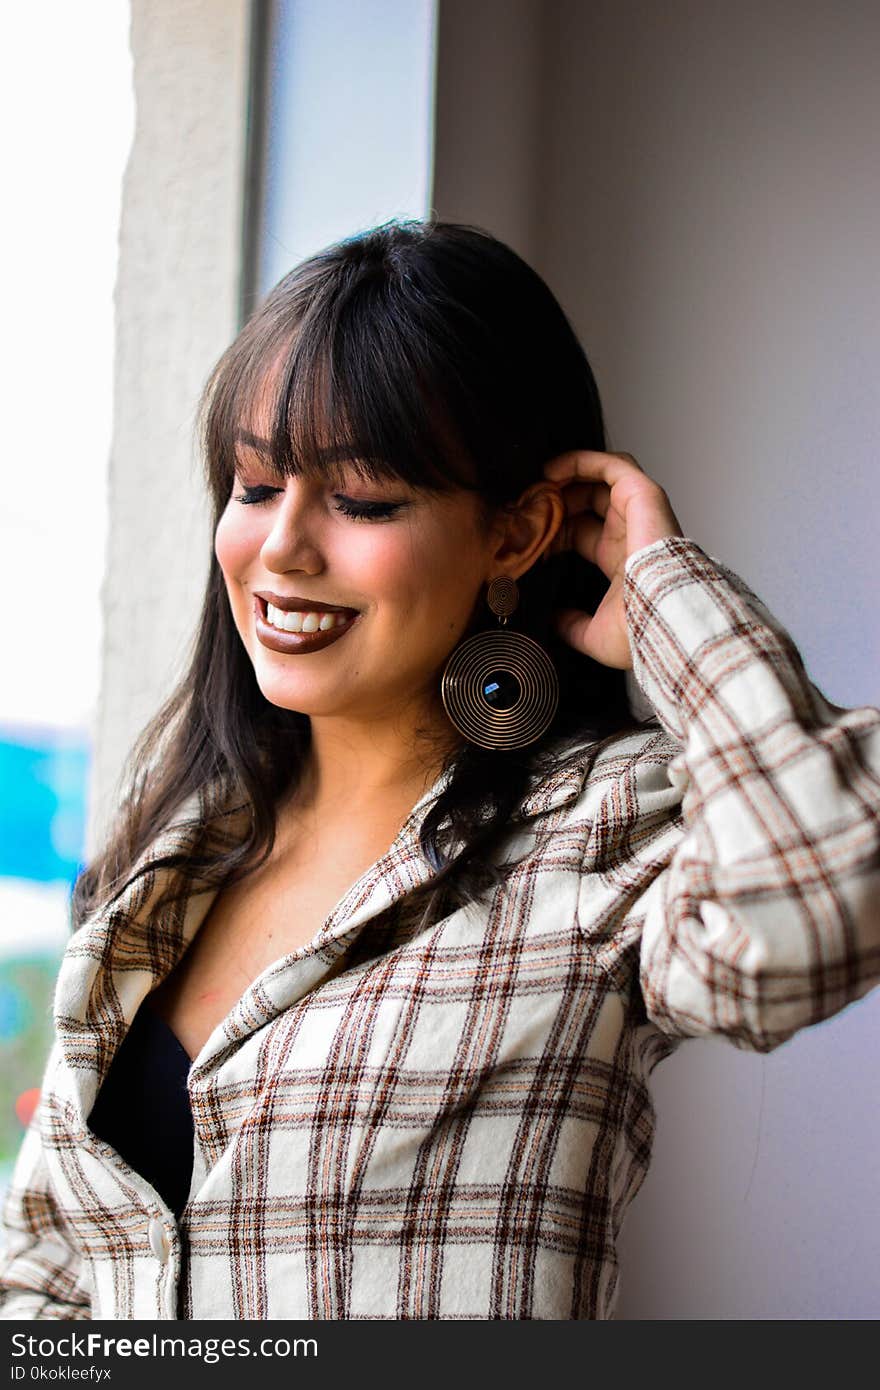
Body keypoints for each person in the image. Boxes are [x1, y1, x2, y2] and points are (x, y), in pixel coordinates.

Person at [1, 219, 878, 1322]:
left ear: (514, 536)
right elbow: (44, 1263)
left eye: (362, 500)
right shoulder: (180, 833)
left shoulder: (609, 824)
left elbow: (821, 903)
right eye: (255, 485)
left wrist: (665, 589)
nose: (281, 547)